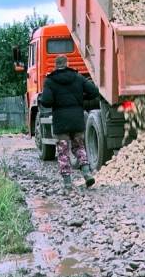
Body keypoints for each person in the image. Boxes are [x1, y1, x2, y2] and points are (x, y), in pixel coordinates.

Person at [39, 55, 100, 189]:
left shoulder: (50, 81)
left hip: (61, 122)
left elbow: (47, 101)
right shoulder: (78, 77)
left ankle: (67, 183)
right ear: (67, 63)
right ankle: (87, 173)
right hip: (77, 119)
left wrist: (44, 100)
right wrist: (81, 98)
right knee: (79, 147)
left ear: (56, 65)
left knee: (63, 151)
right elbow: (94, 92)